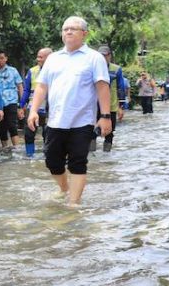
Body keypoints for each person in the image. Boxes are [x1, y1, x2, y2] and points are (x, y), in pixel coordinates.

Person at [27, 16, 111, 206]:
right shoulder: (53, 59)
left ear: (84, 33)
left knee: (77, 162)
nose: (69, 32)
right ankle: (65, 189)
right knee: (52, 161)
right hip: (55, 120)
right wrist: (33, 110)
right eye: (65, 29)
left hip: (82, 121)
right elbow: (41, 86)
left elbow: (102, 87)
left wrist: (105, 116)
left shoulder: (94, 58)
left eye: (74, 29)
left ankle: (74, 204)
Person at [18, 48, 52, 157]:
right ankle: (30, 156)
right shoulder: (32, 71)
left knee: (48, 133)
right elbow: (26, 90)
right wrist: (21, 106)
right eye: (37, 56)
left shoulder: (56, 71)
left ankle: (48, 156)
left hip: (50, 108)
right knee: (28, 133)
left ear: (49, 58)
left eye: (41, 57)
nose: (38, 59)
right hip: (33, 107)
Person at [91, 45, 125, 152]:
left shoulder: (116, 69)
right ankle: (91, 155)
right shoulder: (91, 68)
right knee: (91, 132)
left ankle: (107, 155)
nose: (103, 58)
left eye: (105, 55)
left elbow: (121, 87)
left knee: (109, 132)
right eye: (100, 56)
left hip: (111, 106)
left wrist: (120, 106)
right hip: (93, 106)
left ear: (109, 56)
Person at [0, 50, 23, 153]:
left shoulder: (13, 71)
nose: (0, 60)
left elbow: (19, 86)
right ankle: (5, 150)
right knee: (2, 127)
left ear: (6, 58)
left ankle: (17, 149)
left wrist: (22, 104)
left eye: (2, 58)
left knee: (12, 125)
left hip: (12, 101)